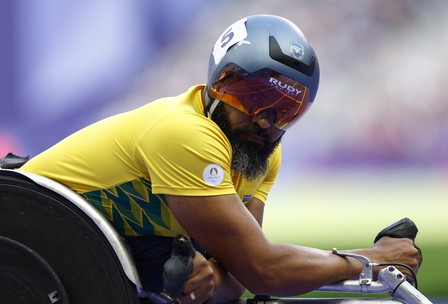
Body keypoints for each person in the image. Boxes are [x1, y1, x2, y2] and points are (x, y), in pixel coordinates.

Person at [20, 14, 421, 303]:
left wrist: (209, 277)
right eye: (256, 99)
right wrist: (370, 260)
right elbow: (263, 269)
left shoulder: (262, 156)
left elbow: (234, 283)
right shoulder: (186, 132)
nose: (267, 121)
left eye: (288, 111)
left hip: (70, 258)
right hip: (21, 234)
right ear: (220, 82)